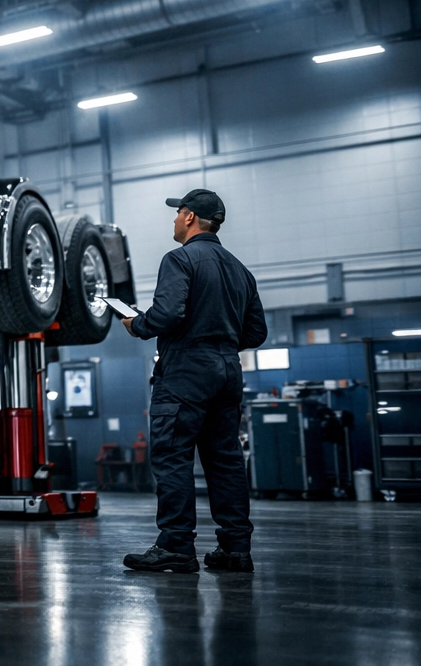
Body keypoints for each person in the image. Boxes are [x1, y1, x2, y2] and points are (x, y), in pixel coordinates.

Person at [119, 188, 268, 574]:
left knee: (172, 457)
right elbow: (256, 334)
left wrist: (138, 324)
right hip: (227, 370)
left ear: (188, 217)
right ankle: (235, 549)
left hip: (185, 370)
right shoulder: (240, 270)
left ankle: (176, 546)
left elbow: (167, 314)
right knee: (225, 460)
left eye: (177, 213)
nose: (173, 219)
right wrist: (222, 338)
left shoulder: (180, 259)